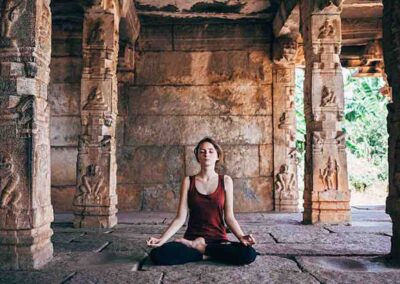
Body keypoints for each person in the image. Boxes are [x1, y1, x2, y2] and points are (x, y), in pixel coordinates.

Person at [147, 137, 257, 265]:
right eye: (202, 151)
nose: (206, 154)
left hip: (218, 241)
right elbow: (180, 218)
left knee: (249, 254)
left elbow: (229, 217)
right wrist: (162, 239)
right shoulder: (188, 181)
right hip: (191, 238)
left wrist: (241, 237)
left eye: (211, 151)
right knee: (157, 255)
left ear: (217, 156)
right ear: (197, 156)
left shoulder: (226, 181)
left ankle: (202, 250)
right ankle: (207, 252)